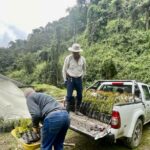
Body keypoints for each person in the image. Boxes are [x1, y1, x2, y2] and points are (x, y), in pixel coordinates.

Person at [62, 43, 86, 114]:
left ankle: (77, 110)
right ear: (72, 51)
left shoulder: (83, 59)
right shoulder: (68, 58)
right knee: (69, 96)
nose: (74, 53)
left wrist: (82, 77)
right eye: (73, 52)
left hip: (79, 79)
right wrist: (65, 80)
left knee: (80, 96)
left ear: (78, 52)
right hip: (70, 79)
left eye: (76, 52)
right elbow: (64, 69)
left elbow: (84, 70)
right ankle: (67, 111)